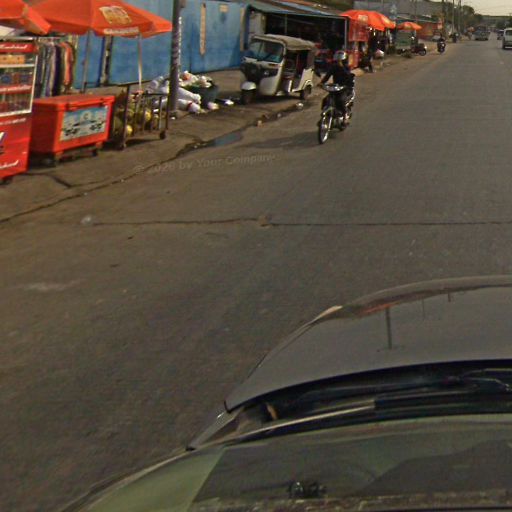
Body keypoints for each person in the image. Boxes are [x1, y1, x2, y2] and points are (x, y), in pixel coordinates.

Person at [319, 50, 354, 120]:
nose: (338, 62)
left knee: (340, 100)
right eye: (337, 61)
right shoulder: (334, 67)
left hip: (345, 88)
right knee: (325, 100)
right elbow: (327, 75)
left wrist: (342, 67)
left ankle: (344, 115)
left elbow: (348, 76)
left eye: (340, 61)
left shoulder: (346, 68)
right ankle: (325, 116)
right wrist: (321, 83)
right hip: (336, 87)